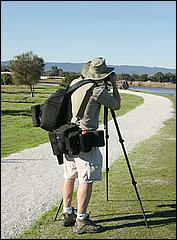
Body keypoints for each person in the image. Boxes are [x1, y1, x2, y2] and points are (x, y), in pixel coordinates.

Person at [60, 57, 121, 234]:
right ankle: (82, 220)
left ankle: (68, 213)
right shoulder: (98, 90)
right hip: (85, 140)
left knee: (69, 175)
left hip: (68, 136)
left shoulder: (75, 82)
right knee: (85, 178)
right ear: (103, 75)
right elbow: (116, 105)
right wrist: (115, 85)